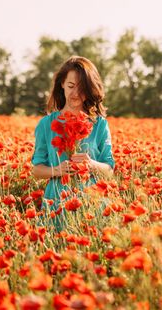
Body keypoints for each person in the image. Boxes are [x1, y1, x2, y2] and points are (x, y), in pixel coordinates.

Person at [31, 56, 115, 231]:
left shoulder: (99, 124)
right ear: (62, 84)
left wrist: (91, 164)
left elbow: (109, 170)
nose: (75, 93)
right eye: (70, 86)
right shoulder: (46, 124)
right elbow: (37, 169)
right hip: (56, 201)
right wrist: (56, 170)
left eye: (82, 88)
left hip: (91, 201)